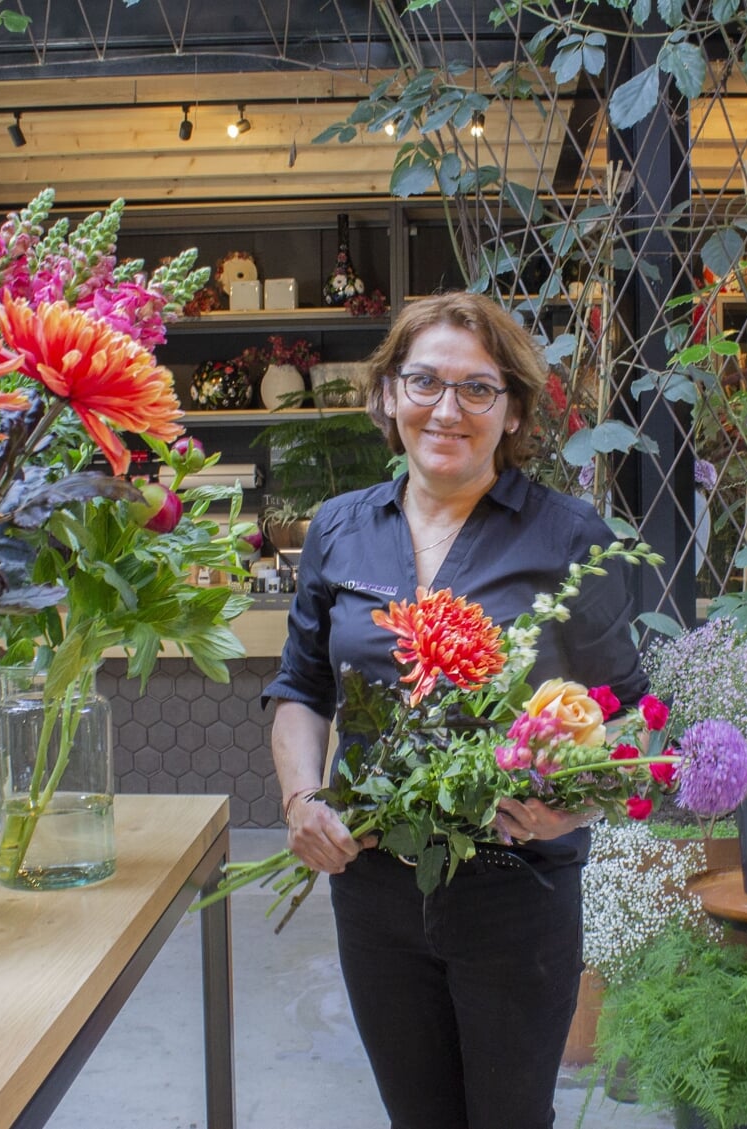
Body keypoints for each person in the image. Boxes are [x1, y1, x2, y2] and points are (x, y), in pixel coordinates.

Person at [262, 292, 647, 1129]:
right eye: (425, 381)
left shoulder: (572, 538)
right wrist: (299, 800)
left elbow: (631, 711)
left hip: (514, 887)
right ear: (388, 395)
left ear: (511, 411)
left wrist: (570, 804)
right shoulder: (338, 529)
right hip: (370, 883)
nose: (448, 408)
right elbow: (300, 689)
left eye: (477, 389)